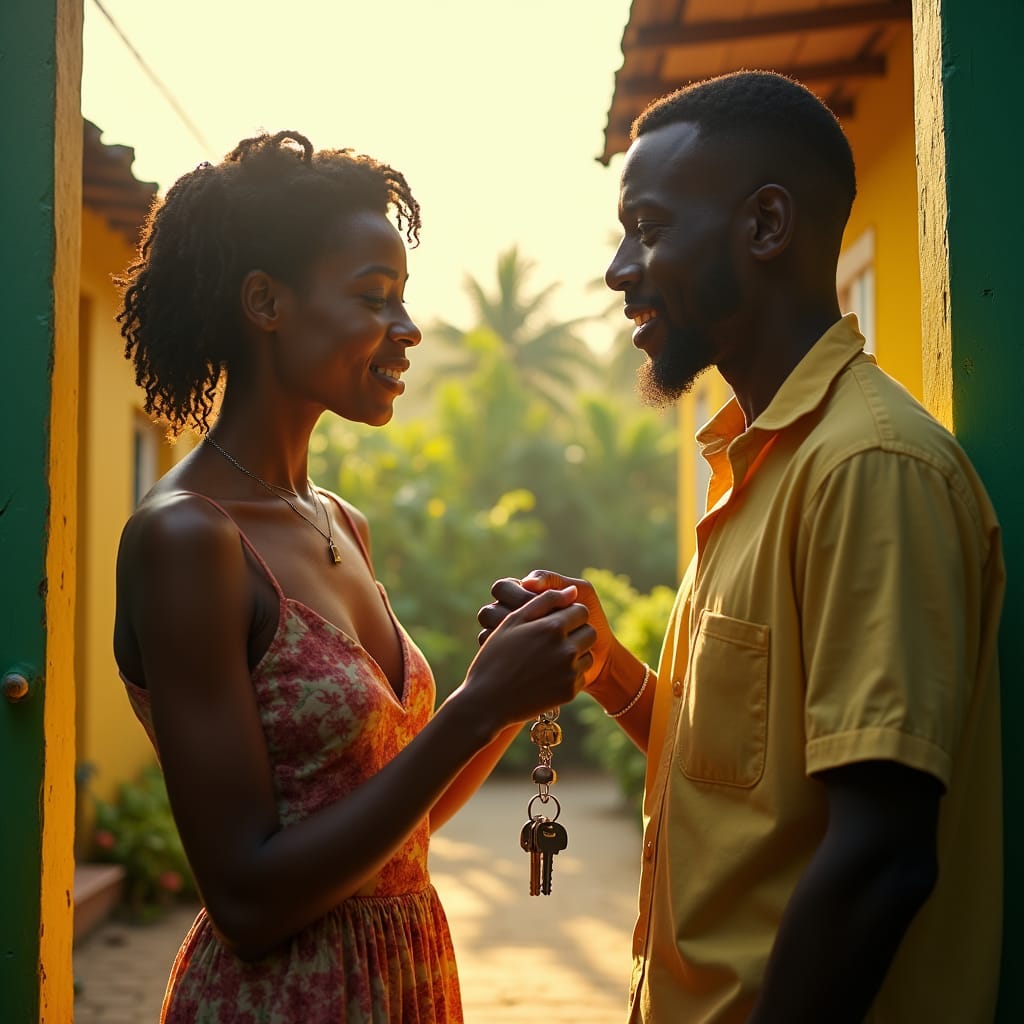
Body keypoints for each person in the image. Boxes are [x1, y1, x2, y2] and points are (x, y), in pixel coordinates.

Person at [479, 71, 1004, 1022]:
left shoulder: (868, 469)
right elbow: (753, 785)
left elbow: (880, 859)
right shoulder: (756, 465)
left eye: (649, 227)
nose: (619, 269)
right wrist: (608, 671)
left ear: (765, 226)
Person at [112, 130, 595, 1023]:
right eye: (376, 298)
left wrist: (515, 690)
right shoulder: (188, 540)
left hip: (401, 981)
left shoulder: (339, 523)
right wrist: (475, 707)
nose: (408, 331)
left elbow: (392, 831)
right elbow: (248, 903)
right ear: (265, 302)